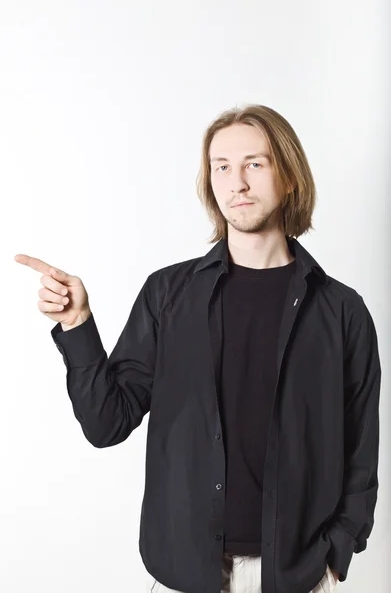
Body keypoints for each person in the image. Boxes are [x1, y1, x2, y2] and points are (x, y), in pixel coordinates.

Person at [14, 104, 381, 593]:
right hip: (184, 574)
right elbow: (107, 424)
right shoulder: (169, 295)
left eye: (255, 163)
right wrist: (77, 325)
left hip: (298, 575)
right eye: (221, 167)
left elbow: (361, 451)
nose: (238, 183)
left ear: (289, 175)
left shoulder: (341, 311)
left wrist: (336, 554)